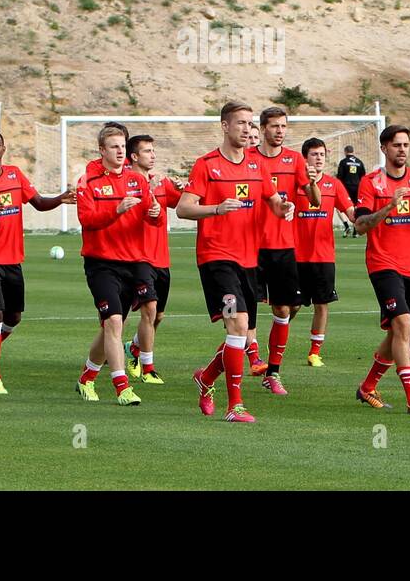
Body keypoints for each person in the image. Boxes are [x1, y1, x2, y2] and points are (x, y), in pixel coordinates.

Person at [180, 101, 295, 424]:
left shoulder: (258, 167)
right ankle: (236, 405)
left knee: (240, 334)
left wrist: (282, 208)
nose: (247, 130)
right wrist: (216, 209)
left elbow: (273, 200)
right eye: (241, 123)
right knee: (238, 325)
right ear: (225, 126)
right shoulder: (207, 165)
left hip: (249, 259)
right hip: (216, 258)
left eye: (250, 124)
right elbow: (184, 208)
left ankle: (206, 378)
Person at [0, 129, 73, 394]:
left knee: (13, 317)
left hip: (12, 256)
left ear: (4, 149)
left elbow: (37, 202)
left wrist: (60, 199)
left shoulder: (15, 175)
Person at [353, 125, 410, 416]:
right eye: (396, 145)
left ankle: (368, 386)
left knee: (396, 332)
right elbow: (360, 225)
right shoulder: (371, 183)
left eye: (406, 145)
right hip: (383, 264)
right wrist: (389, 207)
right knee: (403, 323)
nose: (402, 150)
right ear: (384, 149)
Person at [73, 124, 157, 406]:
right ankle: (122, 387)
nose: (120, 151)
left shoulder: (137, 180)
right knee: (113, 322)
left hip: (133, 261)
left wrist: (154, 213)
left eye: (123, 146)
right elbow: (87, 220)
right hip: (101, 263)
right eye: (114, 147)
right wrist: (115, 209)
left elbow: (150, 216)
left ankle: (86, 378)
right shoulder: (88, 182)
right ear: (101, 150)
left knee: (112, 326)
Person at [247, 106, 304, 394]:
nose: (279, 131)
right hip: (251, 244)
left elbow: (309, 195)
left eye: (283, 126)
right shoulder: (249, 159)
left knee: (287, 307)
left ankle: (272, 370)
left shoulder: (295, 159)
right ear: (263, 129)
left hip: (283, 244)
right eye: (274, 126)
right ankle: (255, 355)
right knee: (247, 306)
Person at [125, 133, 183, 383]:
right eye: (147, 151)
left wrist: (183, 188)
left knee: (157, 315)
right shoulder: (124, 182)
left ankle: (134, 348)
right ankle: (148, 368)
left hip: (162, 259)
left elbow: (183, 205)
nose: (153, 155)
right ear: (134, 156)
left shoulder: (162, 183)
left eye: (153, 150)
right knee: (148, 310)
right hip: (138, 257)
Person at [294, 138, 356, 366]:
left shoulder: (334, 184)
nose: (319, 158)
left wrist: (368, 216)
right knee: (290, 306)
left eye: (322, 154)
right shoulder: (295, 184)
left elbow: (351, 212)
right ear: (305, 158)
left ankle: (314, 352)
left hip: (323, 256)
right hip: (296, 255)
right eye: (314, 154)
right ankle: (277, 340)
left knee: (322, 304)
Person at [335, 144, 365, 237]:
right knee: (356, 208)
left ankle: (346, 225)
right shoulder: (359, 162)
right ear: (353, 152)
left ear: (345, 152)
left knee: (340, 207)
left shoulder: (343, 162)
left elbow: (339, 177)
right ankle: (355, 229)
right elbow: (363, 176)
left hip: (345, 189)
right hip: (357, 188)